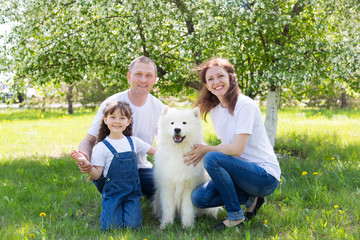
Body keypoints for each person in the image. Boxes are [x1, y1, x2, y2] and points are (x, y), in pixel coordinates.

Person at [184, 58, 281, 231]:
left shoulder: (244, 105)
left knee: (212, 157)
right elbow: (227, 145)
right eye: (210, 79)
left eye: (220, 76)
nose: (216, 82)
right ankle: (253, 199)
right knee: (199, 198)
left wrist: (206, 150)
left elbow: (237, 149)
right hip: (240, 172)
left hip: (264, 176)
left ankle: (235, 215)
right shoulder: (215, 111)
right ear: (206, 85)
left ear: (231, 77)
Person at [73, 56, 164, 200]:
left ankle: (138, 191)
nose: (143, 80)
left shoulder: (160, 108)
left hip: (141, 168)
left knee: (165, 191)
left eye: (149, 76)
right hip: (111, 170)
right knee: (117, 203)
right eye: (138, 74)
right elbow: (89, 141)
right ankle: (118, 196)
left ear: (155, 79)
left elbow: (170, 144)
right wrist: (84, 157)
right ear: (129, 77)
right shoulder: (111, 103)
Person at [71, 100, 156, 230]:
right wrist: (88, 166)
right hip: (113, 193)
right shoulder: (101, 147)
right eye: (113, 117)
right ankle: (113, 210)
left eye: (122, 118)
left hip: (132, 193)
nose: (117, 121)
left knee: (133, 226)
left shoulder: (134, 142)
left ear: (128, 122)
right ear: (105, 120)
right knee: (111, 228)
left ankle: (128, 210)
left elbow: (157, 151)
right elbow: (97, 175)